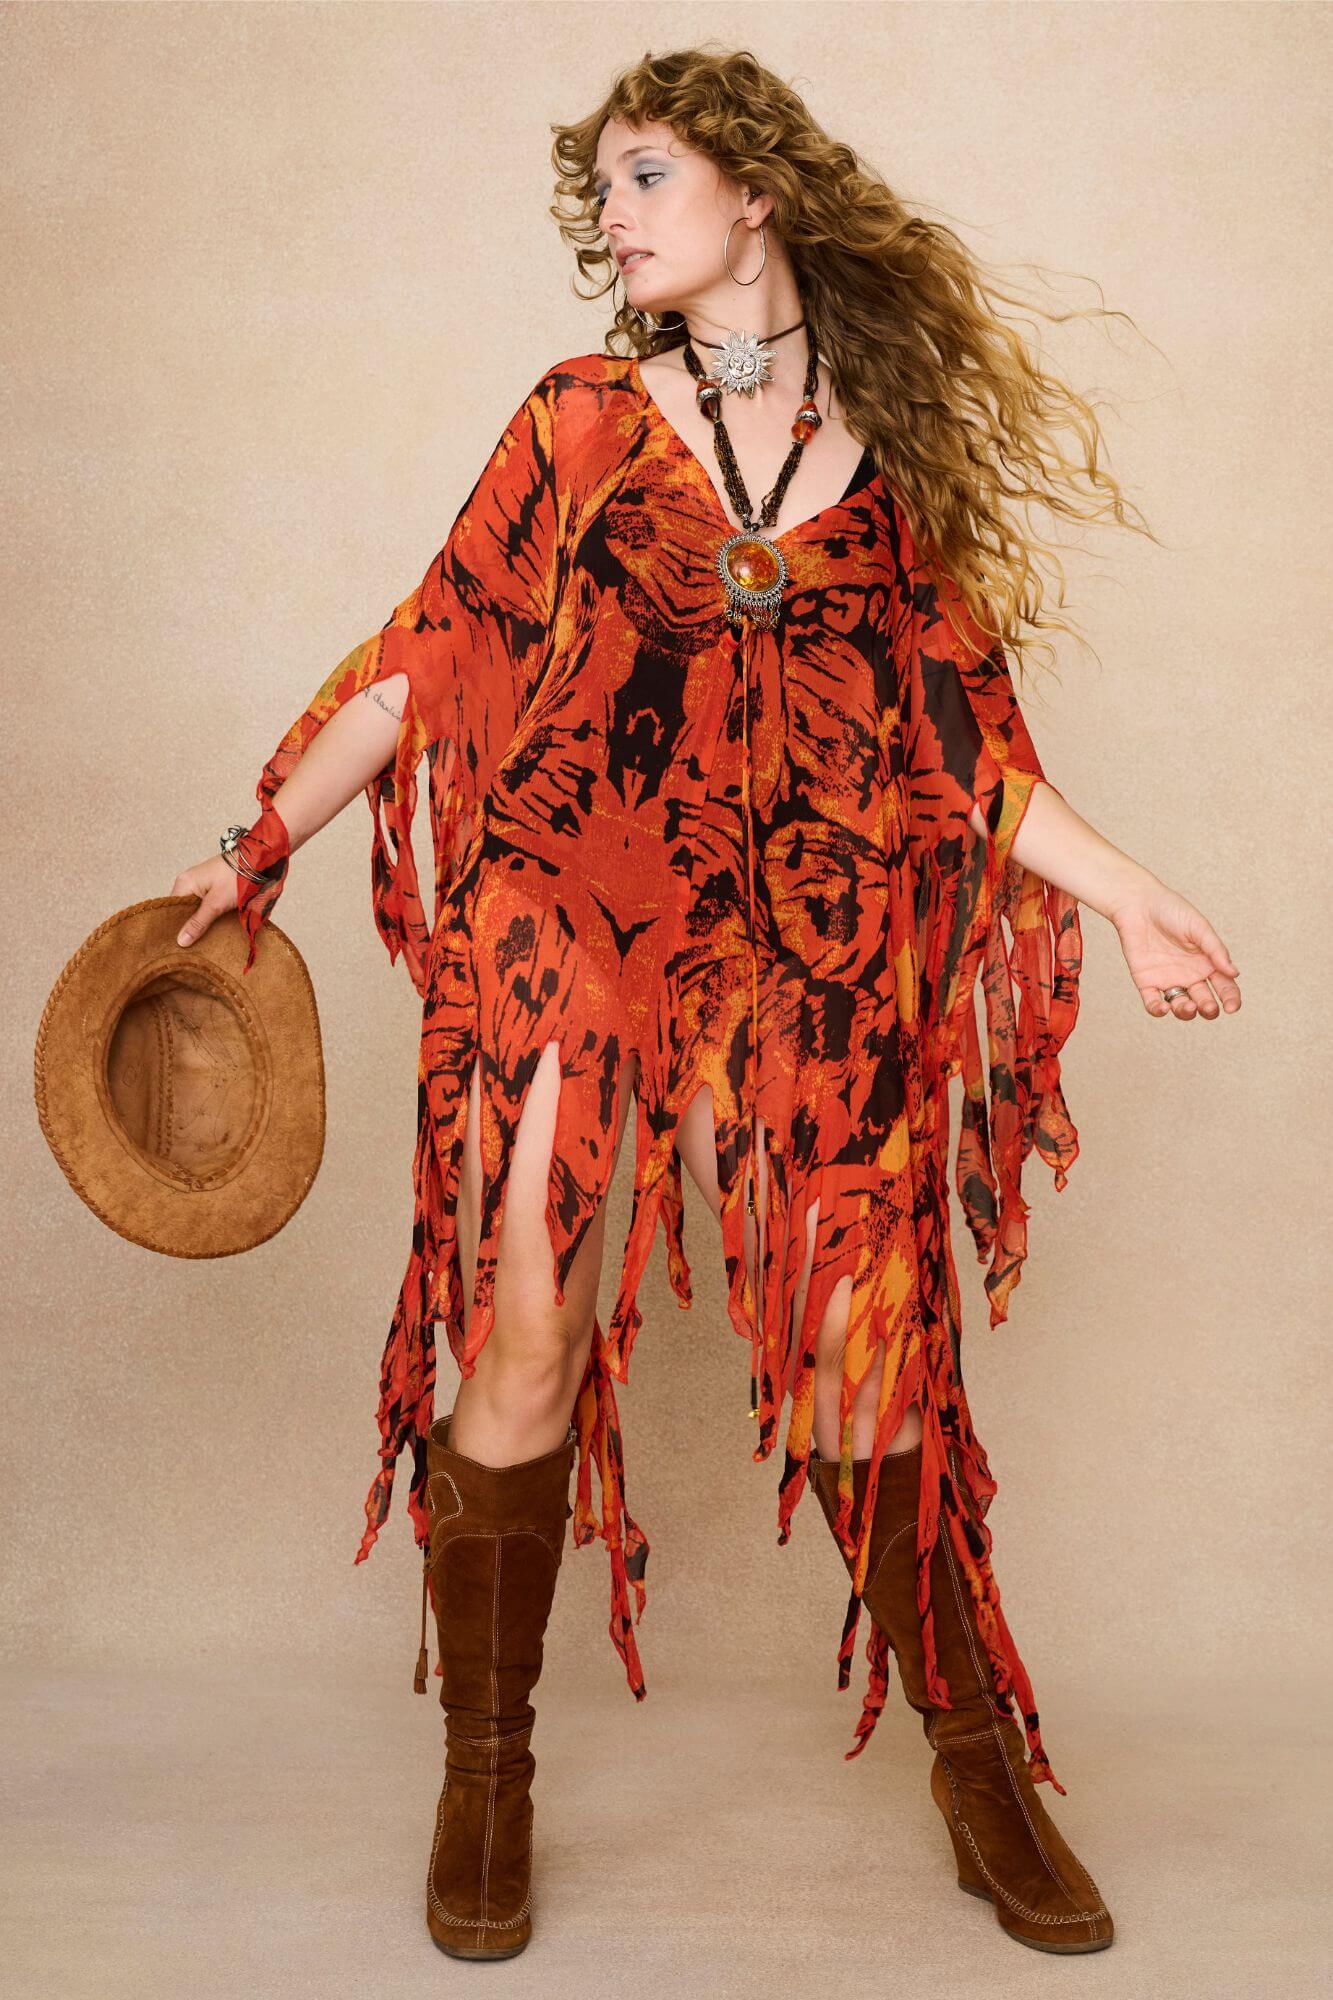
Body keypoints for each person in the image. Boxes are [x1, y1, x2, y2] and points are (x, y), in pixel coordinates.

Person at [171, 48, 1240, 1964]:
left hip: (797, 960)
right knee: (521, 1332)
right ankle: (484, 1777)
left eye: (643, 173)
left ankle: (975, 1761)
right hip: (572, 917)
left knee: (862, 1352)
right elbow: (429, 662)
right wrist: (259, 846)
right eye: (600, 185)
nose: (613, 210)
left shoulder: (884, 478)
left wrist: (1139, 897)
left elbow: (967, 758)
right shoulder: (581, 417)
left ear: (755, 193)